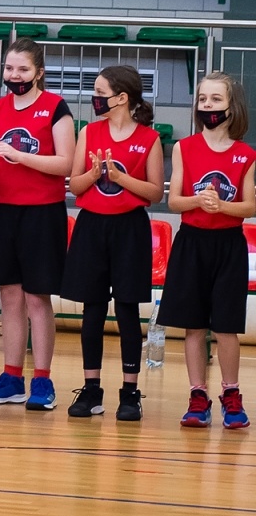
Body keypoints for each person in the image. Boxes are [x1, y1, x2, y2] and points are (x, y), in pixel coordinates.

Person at [0, 38, 75, 411]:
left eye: (23, 70)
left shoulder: (55, 109)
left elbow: (66, 165)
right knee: (9, 296)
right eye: (10, 69)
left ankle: (42, 381)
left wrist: (19, 154)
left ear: (39, 73)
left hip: (42, 213)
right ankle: (11, 376)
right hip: (4, 211)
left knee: (36, 297)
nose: (15, 76)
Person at [60, 66, 163, 421]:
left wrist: (120, 177)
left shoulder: (148, 139)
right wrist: (93, 174)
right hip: (92, 226)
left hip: (130, 228)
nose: (95, 97)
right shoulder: (89, 131)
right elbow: (74, 186)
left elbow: (154, 192)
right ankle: (91, 389)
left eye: (101, 91)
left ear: (122, 98)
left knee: (127, 310)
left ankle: (130, 392)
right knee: (92, 308)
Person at [160, 72, 253, 430]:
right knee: (194, 326)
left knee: (227, 327)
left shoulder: (245, 155)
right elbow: (174, 201)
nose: (208, 106)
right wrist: (199, 201)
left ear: (232, 107)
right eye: (203, 99)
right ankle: (197, 395)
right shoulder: (184, 148)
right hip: (191, 243)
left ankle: (232, 395)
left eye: (216, 99)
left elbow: (248, 207)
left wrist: (221, 208)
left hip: (229, 246)